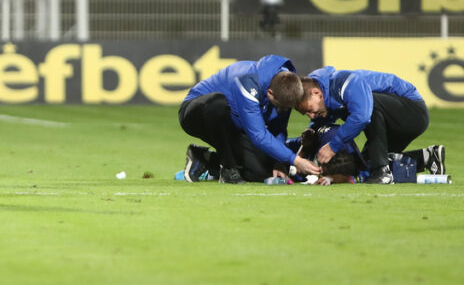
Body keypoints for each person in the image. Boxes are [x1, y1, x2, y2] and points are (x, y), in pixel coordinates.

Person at [179, 55, 321, 183]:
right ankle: (228, 169)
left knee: (262, 173)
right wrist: (295, 160)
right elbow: (258, 135)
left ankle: (203, 158)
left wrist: (278, 162)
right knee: (218, 106)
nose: (283, 111)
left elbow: (278, 129)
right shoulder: (249, 83)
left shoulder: (286, 89)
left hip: (232, 127)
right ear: (269, 93)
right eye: (281, 107)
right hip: (196, 112)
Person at [296, 67, 442, 184]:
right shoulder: (324, 96)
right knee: (363, 166)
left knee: (366, 105)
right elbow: (317, 125)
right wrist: (303, 153)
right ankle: (427, 158)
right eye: (306, 114)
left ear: (317, 93)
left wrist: (333, 146)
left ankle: (382, 172)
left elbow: (362, 117)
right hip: (390, 122)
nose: (311, 115)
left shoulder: (344, 83)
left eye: (309, 110)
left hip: (413, 113)